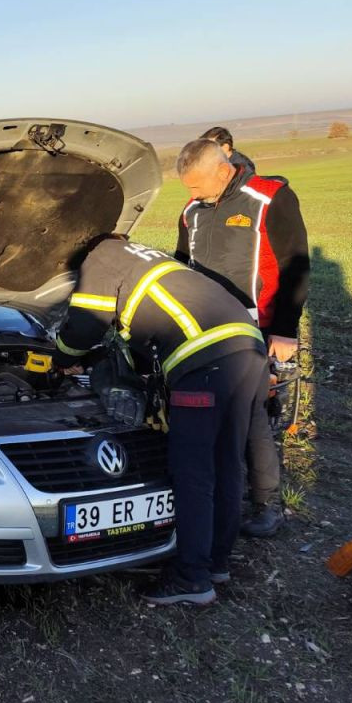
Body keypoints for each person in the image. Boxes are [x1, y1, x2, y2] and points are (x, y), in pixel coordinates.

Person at [54, 236, 269, 606]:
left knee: (193, 472)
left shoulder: (102, 258)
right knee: (227, 462)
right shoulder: (142, 257)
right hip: (248, 349)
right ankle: (217, 562)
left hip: (202, 360)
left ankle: (191, 578)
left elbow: (85, 325)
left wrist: (59, 357)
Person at [174, 139, 310, 538]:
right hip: (204, 330)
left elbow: (295, 264)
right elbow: (181, 266)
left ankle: (267, 504)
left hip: (257, 329)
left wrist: (284, 328)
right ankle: (214, 495)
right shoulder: (191, 210)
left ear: (223, 169)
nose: (192, 195)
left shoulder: (270, 198)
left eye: (197, 186)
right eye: (187, 189)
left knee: (253, 418)